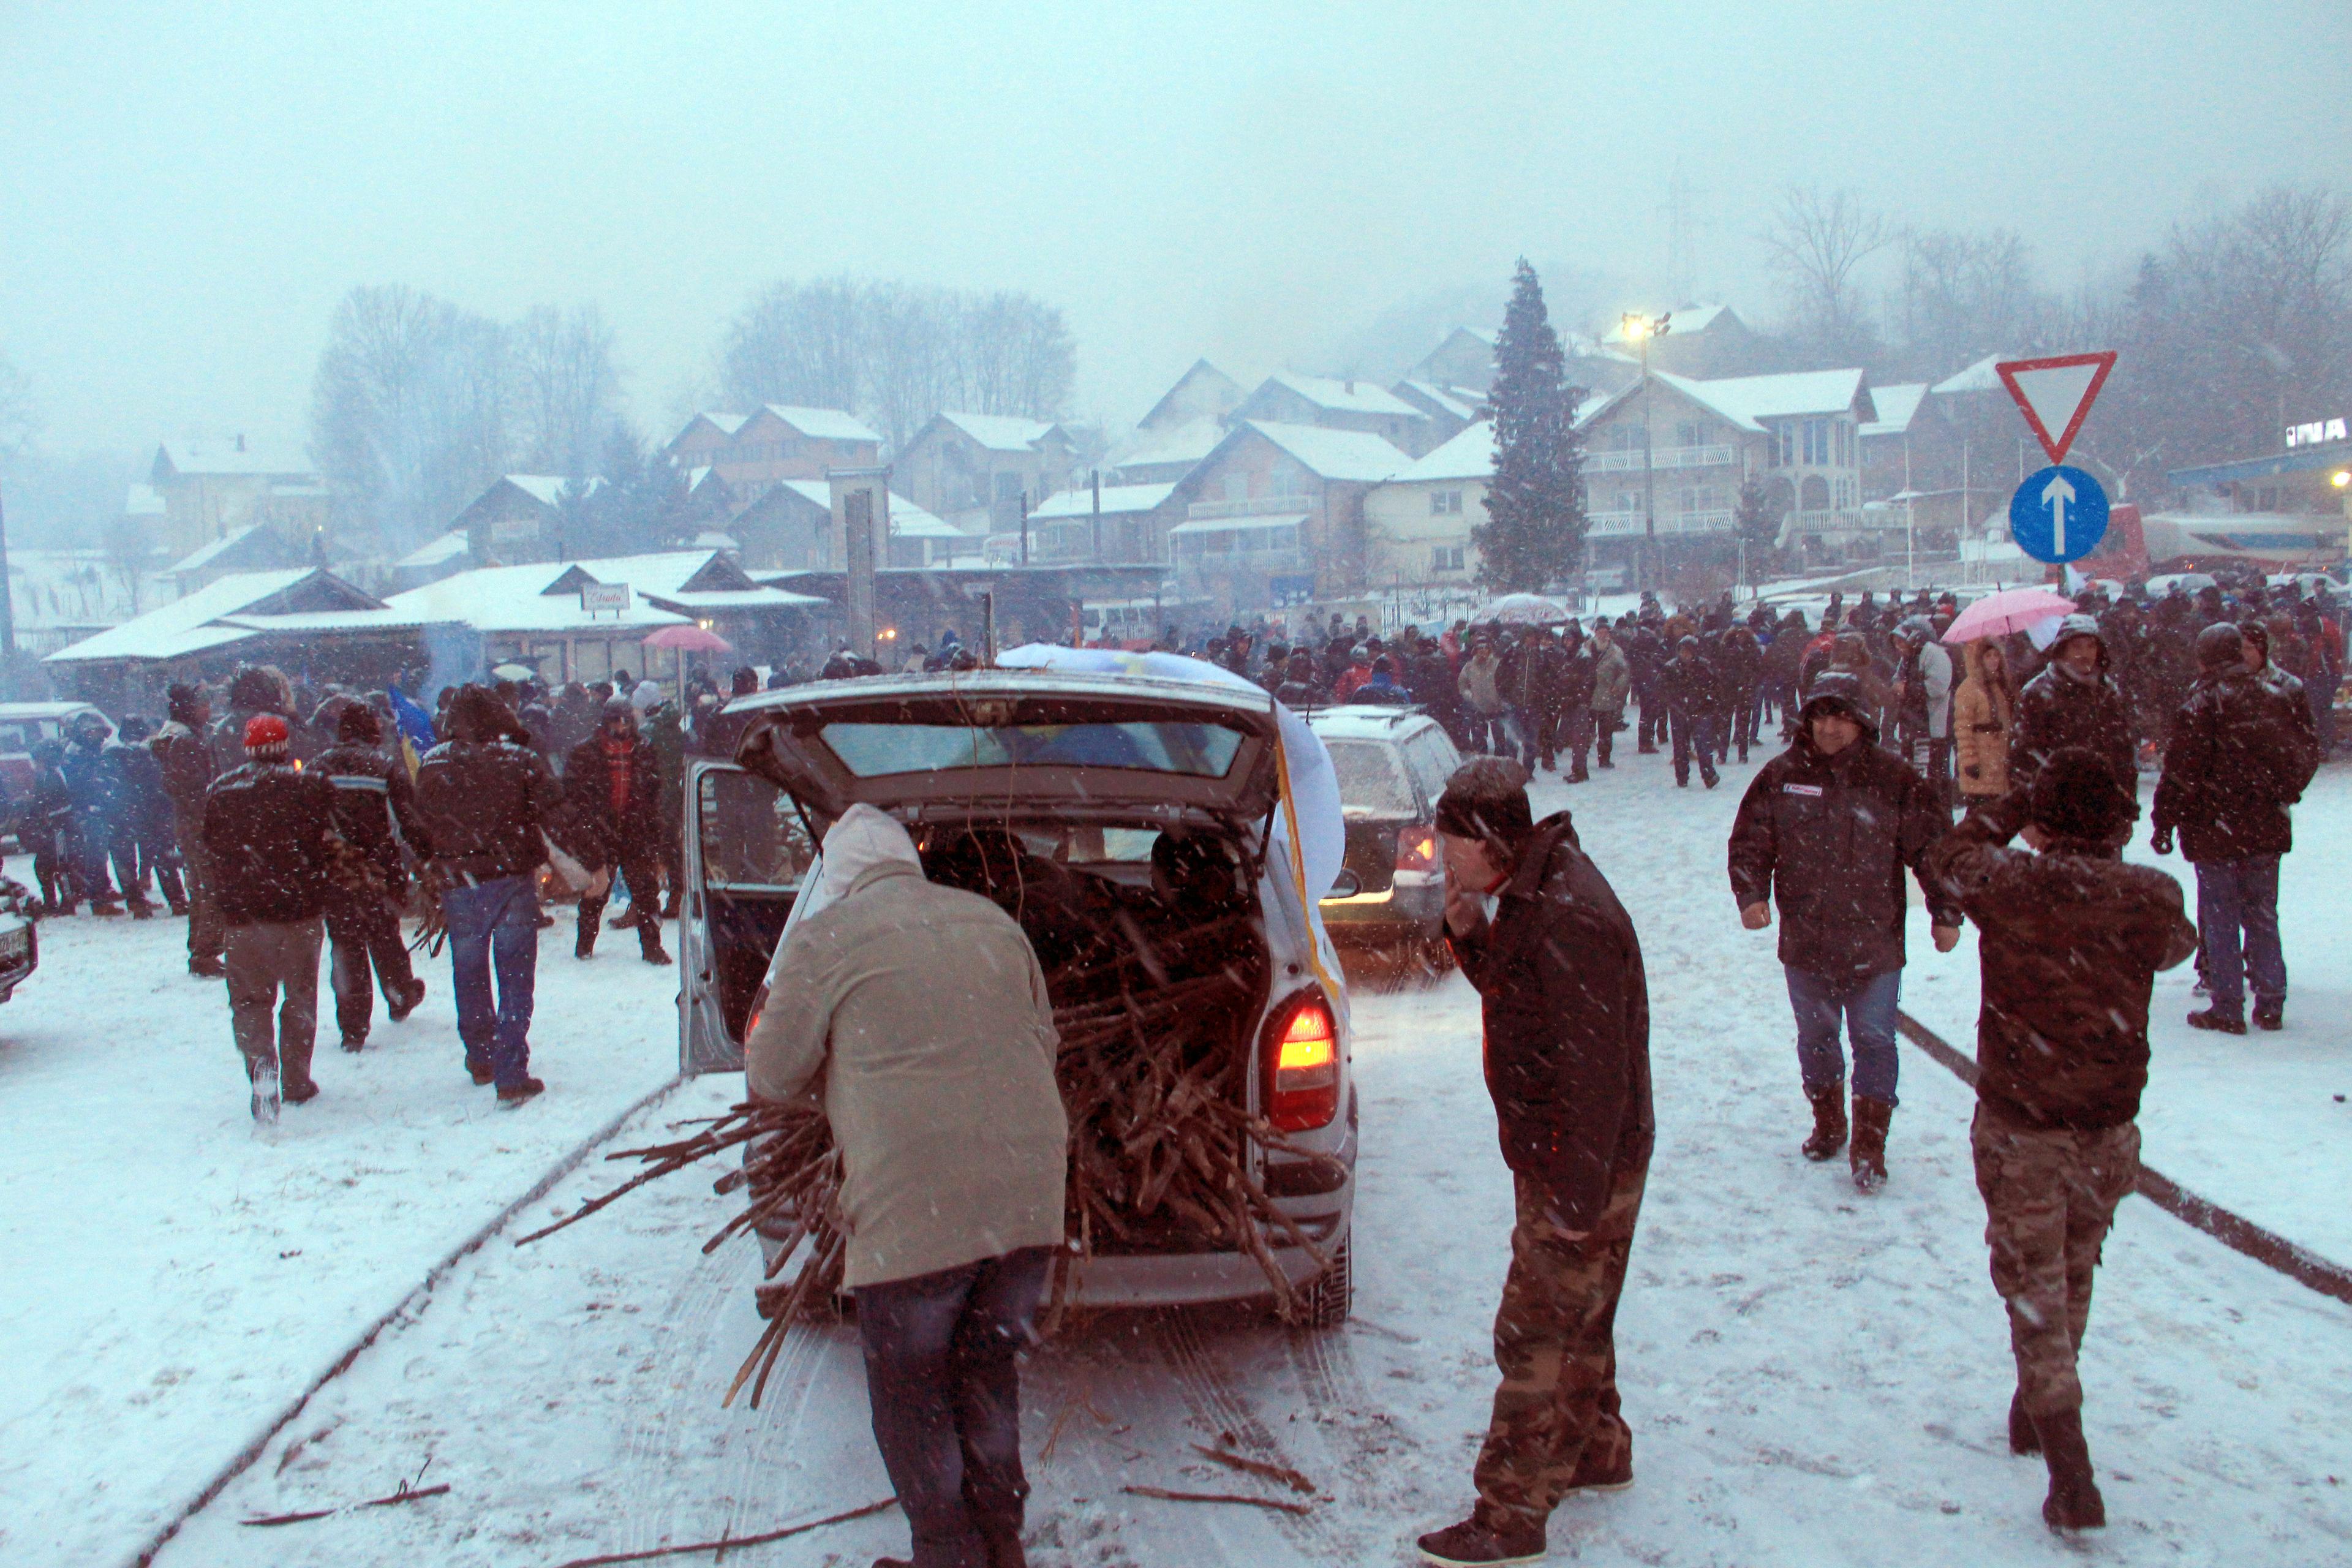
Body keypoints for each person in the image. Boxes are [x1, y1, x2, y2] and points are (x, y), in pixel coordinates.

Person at [745, 805, 1065, 1568]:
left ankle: (947, 1552)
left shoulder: (824, 938)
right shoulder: (990, 920)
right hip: (1028, 1192)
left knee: (912, 1386)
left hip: (913, 1200)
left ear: (840, 880)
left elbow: (772, 1071)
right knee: (986, 1366)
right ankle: (1001, 1541)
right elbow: (1043, 1043)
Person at [1924, 750, 2196, 1532]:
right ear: (2119, 821)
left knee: (2032, 1286)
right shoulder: (2153, 896)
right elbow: (2178, 947)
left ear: (2045, 823)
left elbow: (1946, 857)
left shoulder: (2012, 885)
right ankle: (2034, 1408)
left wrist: (2012, 809)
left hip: (2025, 1123)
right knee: (2073, 1266)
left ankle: (2070, 1471)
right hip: (2107, 1128)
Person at [1416, 759, 1652, 1568]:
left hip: (1580, 1158)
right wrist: (1471, 933)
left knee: (1537, 1329)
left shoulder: (1569, 916)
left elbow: (1595, 1073)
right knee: (1582, 1310)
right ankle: (1595, 1448)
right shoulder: (1534, 892)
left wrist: (1575, 1196)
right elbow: (1523, 1001)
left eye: (1451, 846)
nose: (1443, 859)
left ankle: (1510, 1511)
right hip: (1571, 1154)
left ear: (1491, 840)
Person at [1728, 672, 1962, 1189]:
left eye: (1841, 717)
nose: (1830, 728)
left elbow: (1933, 849)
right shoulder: (1782, 775)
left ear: (1861, 721)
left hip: (1874, 938)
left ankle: (1871, 1146)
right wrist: (1751, 895)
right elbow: (1751, 839)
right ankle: (1829, 1123)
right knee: (1816, 1037)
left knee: (1874, 1038)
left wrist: (1946, 912)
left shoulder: (1893, 779)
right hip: (1806, 938)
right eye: (1821, 716)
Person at [2150, 624, 2320, 1033]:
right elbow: (2301, 751)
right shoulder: (2273, 697)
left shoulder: (2201, 704)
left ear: (2205, 657)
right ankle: (2271, 998)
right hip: (2264, 823)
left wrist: (2165, 819)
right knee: (2262, 913)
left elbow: (2181, 770)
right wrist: (2284, 794)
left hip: (2214, 826)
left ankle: (2228, 1003)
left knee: (2221, 914)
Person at [413, 685, 566, 1105]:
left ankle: (480, 1055)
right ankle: (511, 1068)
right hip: (511, 876)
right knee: (516, 975)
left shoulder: (432, 763)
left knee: (469, 971)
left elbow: (419, 821)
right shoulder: (518, 760)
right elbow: (554, 801)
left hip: (459, 881)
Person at [202, 715, 341, 1122]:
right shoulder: (310, 786)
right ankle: (297, 1079)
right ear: (285, 746)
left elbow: (210, 848)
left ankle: (261, 1065)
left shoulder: (221, 791)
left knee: (249, 1000)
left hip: (244, 916)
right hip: (299, 911)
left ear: (246, 748)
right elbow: (329, 839)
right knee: (299, 996)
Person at [312, 702, 429, 1050]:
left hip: (335, 869)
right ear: (370, 731)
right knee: (383, 932)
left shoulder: (318, 768)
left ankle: (352, 1026)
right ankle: (399, 993)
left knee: (345, 942)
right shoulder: (384, 766)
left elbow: (308, 821)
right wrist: (428, 857)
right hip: (379, 867)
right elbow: (408, 820)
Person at [563, 698, 674, 965]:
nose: (621, 726)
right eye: (616, 720)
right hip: (600, 831)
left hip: (636, 829)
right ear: (606, 721)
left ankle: (652, 947)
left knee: (646, 894)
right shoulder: (587, 752)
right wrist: (586, 829)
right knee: (596, 891)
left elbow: (655, 792)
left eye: (625, 720)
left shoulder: (644, 750)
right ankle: (585, 945)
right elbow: (573, 795)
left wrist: (653, 827)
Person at [2009, 616, 2136, 802]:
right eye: (2077, 646)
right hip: (2055, 810)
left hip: (2104, 809)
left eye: (2091, 646)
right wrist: (2028, 818)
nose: (2085, 653)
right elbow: (2022, 758)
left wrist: (2127, 805)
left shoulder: (2108, 692)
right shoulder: (2038, 694)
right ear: (2063, 649)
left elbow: (2124, 754)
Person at [153, 684, 227, 973]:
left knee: (201, 887)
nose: (207, 709)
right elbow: (190, 786)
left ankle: (201, 948)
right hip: (199, 824)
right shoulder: (185, 742)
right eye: (201, 704)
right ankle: (205, 952)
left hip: (190, 824)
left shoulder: (178, 737)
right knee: (209, 888)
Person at [104, 717, 179, 917]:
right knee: (160, 856)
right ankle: (176, 899)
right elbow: (159, 785)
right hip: (148, 812)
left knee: (125, 859)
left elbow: (108, 786)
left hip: (122, 813)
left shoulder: (112, 755)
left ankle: (136, 901)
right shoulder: (149, 755)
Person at [61, 713, 124, 915]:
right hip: (90, 812)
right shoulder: (78, 756)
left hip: (98, 809)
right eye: (91, 732)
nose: (96, 736)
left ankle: (102, 891)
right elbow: (81, 786)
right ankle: (98, 899)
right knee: (95, 857)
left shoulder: (90, 753)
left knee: (99, 854)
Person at [1953, 639, 2016, 810]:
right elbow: (1963, 728)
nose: (1994, 660)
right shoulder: (1968, 689)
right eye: (1988, 656)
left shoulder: (2000, 685)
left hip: (1999, 760)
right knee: (1981, 814)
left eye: (1996, 655)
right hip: (1982, 760)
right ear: (1979, 659)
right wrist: (1969, 761)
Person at [1659, 636, 1720, 789]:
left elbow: (1716, 686)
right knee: (1680, 747)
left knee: (1703, 747)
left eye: (1689, 652)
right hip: (1679, 712)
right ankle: (1682, 777)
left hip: (1700, 711)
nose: (1685, 655)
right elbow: (1662, 689)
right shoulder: (1671, 668)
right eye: (1683, 651)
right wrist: (1674, 704)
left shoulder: (1705, 667)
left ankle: (1709, 775)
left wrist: (1708, 702)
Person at [26, 738, 76, 914]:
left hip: (58, 829)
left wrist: (48, 817)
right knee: (46, 865)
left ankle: (67, 902)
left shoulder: (53, 776)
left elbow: (59, 804)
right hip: (53, 828)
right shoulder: (52, 775)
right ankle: (54, 901)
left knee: (60, 864)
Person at [1587, 622, 1629, 771]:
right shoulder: (1586, 648)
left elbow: (1624, 671)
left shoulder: (1615, 652)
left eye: (1605, 632)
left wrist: (1618, 686)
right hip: (1588, 696)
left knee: (1606, 731)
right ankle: (1581, 758)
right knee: (1585, 730)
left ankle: (1604, 759)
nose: (1602, 635)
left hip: (1607, 695)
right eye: (1600, 632)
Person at [1458, 638, 1506, 756]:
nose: (1483, 651)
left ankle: (1499, 763)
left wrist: (1502, 697)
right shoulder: (1469, 667)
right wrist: (1468, 695)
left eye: (1485, 648)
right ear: (1475, 651)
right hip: (1478, 708)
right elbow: (1462, 683)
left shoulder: (1497, 664)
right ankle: (1482, 763)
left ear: (1490, 650)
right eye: (1480, 649)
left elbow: (1506, 682)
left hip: (1496, 707)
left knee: (1499, 740)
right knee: (1479, 741)